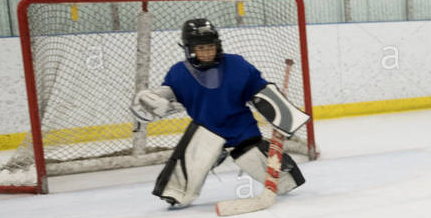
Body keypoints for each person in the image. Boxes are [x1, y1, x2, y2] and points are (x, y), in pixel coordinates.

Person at [131, 18, 307, 208]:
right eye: (201, 48)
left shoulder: (237, 65)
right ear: (189, 49)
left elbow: (259, 89)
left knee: (283, 180)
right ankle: (179, 190)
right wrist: (152, 100)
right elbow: (168, 92)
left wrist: (284, 114)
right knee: (182, 180)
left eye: (210, 47)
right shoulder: (179, 73)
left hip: (240, 129)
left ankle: (283, 176)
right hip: (207, 131)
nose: (207, 52)